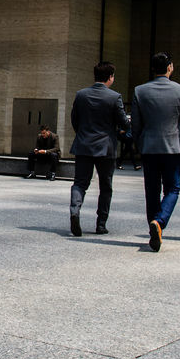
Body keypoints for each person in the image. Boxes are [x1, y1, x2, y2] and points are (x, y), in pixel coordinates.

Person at [132, 52, 180, 252]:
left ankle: (154, 226)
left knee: (151, 190)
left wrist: (139, 145)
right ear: (170, 67)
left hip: (149, 147)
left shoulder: (140, 91)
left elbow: (136, 124)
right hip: (174, 147)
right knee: (173, 189)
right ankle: (159, 222)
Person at [68, 61, 130, 237]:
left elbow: (75, 120)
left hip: (84, 145)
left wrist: (83, 134)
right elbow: (123, 122)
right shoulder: (114, 97)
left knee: (80, 183)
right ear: (110, 77)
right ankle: (101, 224)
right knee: (105, 186)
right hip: (105, 148)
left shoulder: (81, 95)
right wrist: (124, 126)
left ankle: (75, 211)